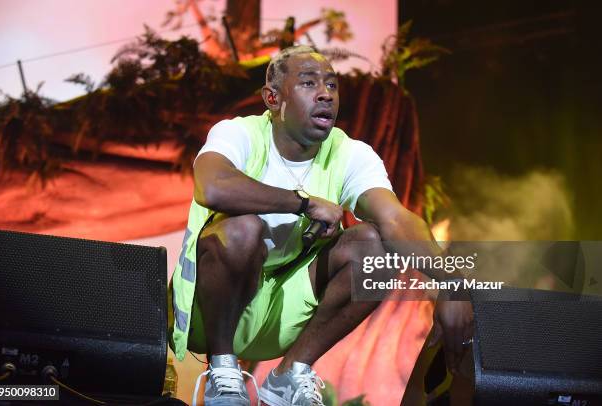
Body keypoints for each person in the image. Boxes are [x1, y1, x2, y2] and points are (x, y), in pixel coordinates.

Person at [168, 45, 473, 406]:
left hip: (284, 312)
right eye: (309, 83)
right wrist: (303, 203)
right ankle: (223, 372)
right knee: (242, 229)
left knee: (376, 248)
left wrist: (454, 283)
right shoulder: (240, 134)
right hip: (213, 313)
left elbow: (395, 219)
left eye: (332, 85)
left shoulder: (350, 153)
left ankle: (290, 374)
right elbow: (213, 187)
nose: (326, 93)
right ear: (273, 98)